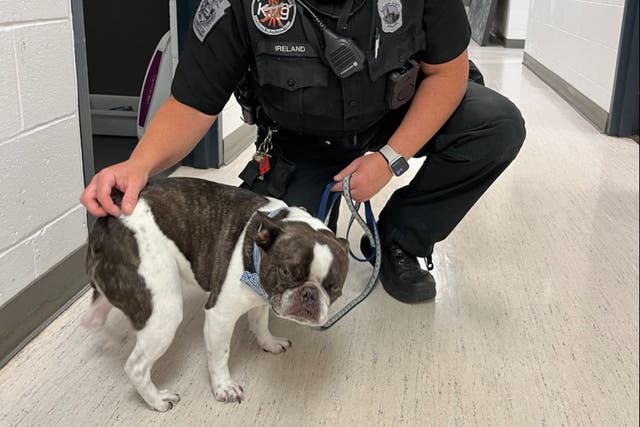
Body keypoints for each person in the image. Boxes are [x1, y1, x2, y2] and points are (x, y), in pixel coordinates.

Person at [80, 0, 526, 304]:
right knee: (262, 275)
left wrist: (390, 157)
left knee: (495, 125)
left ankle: (399, 241)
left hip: (395, 116)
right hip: (301, 142)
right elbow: (192, 104)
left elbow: (448, 74)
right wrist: (138, 165)